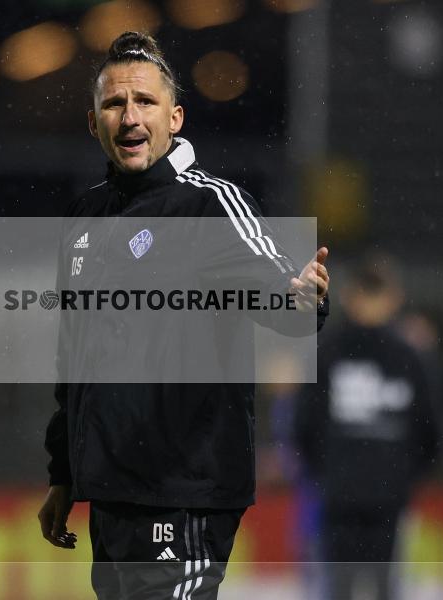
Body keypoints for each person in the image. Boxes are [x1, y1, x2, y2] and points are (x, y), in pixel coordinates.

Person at [37, 31, 330, 599]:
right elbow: (73, 357)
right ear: (93, 121)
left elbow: (279, 294)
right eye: (114, 103)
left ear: (175, 118)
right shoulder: (85, 216)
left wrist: (304, 299)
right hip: (114, 491)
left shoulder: (210, 205)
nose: (129, 117)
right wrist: (63, 474)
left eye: (144, 102)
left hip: (185, 487)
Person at [294, 253, 437, 600]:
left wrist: (326, 472)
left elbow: (304, 426)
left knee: (347, 586)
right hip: (370, 492)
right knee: (375, 585)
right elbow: (429, 430)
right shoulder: (406, 356)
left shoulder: (329, 351)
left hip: (352, 490)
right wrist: (404, 475)